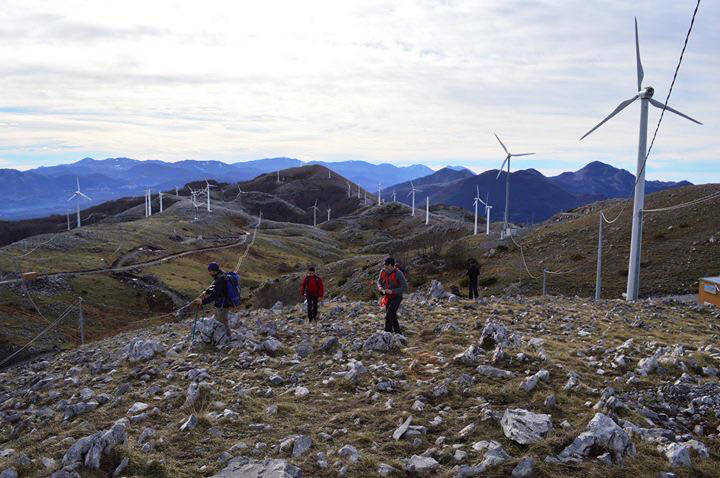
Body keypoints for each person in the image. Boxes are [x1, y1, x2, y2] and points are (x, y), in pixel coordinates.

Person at [194, 262, 232, 337]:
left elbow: (215, 295)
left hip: (222, 304)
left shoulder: (220, 279)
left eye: (210, 271)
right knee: (220, 321)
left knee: (222, 323)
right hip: (222, 304)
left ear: (214, 271)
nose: (209, 273)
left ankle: (227, 338)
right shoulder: (220, 276)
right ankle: (224, 338)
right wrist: (207, 291)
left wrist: (202, 301)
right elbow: (214, 287)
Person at [377, 257, 408, 334]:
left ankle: (387, 334)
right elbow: (379, 281)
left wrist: (392, 291)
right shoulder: (383, 271)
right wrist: (380, 287)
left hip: (397, 297)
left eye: (386, 265)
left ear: (391, 265)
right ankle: (398, 333)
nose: (384, 267)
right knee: (392, 315)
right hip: (388, 297)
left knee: (389, 315)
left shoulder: (398, 273)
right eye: (384, 265)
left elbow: (405, 287)